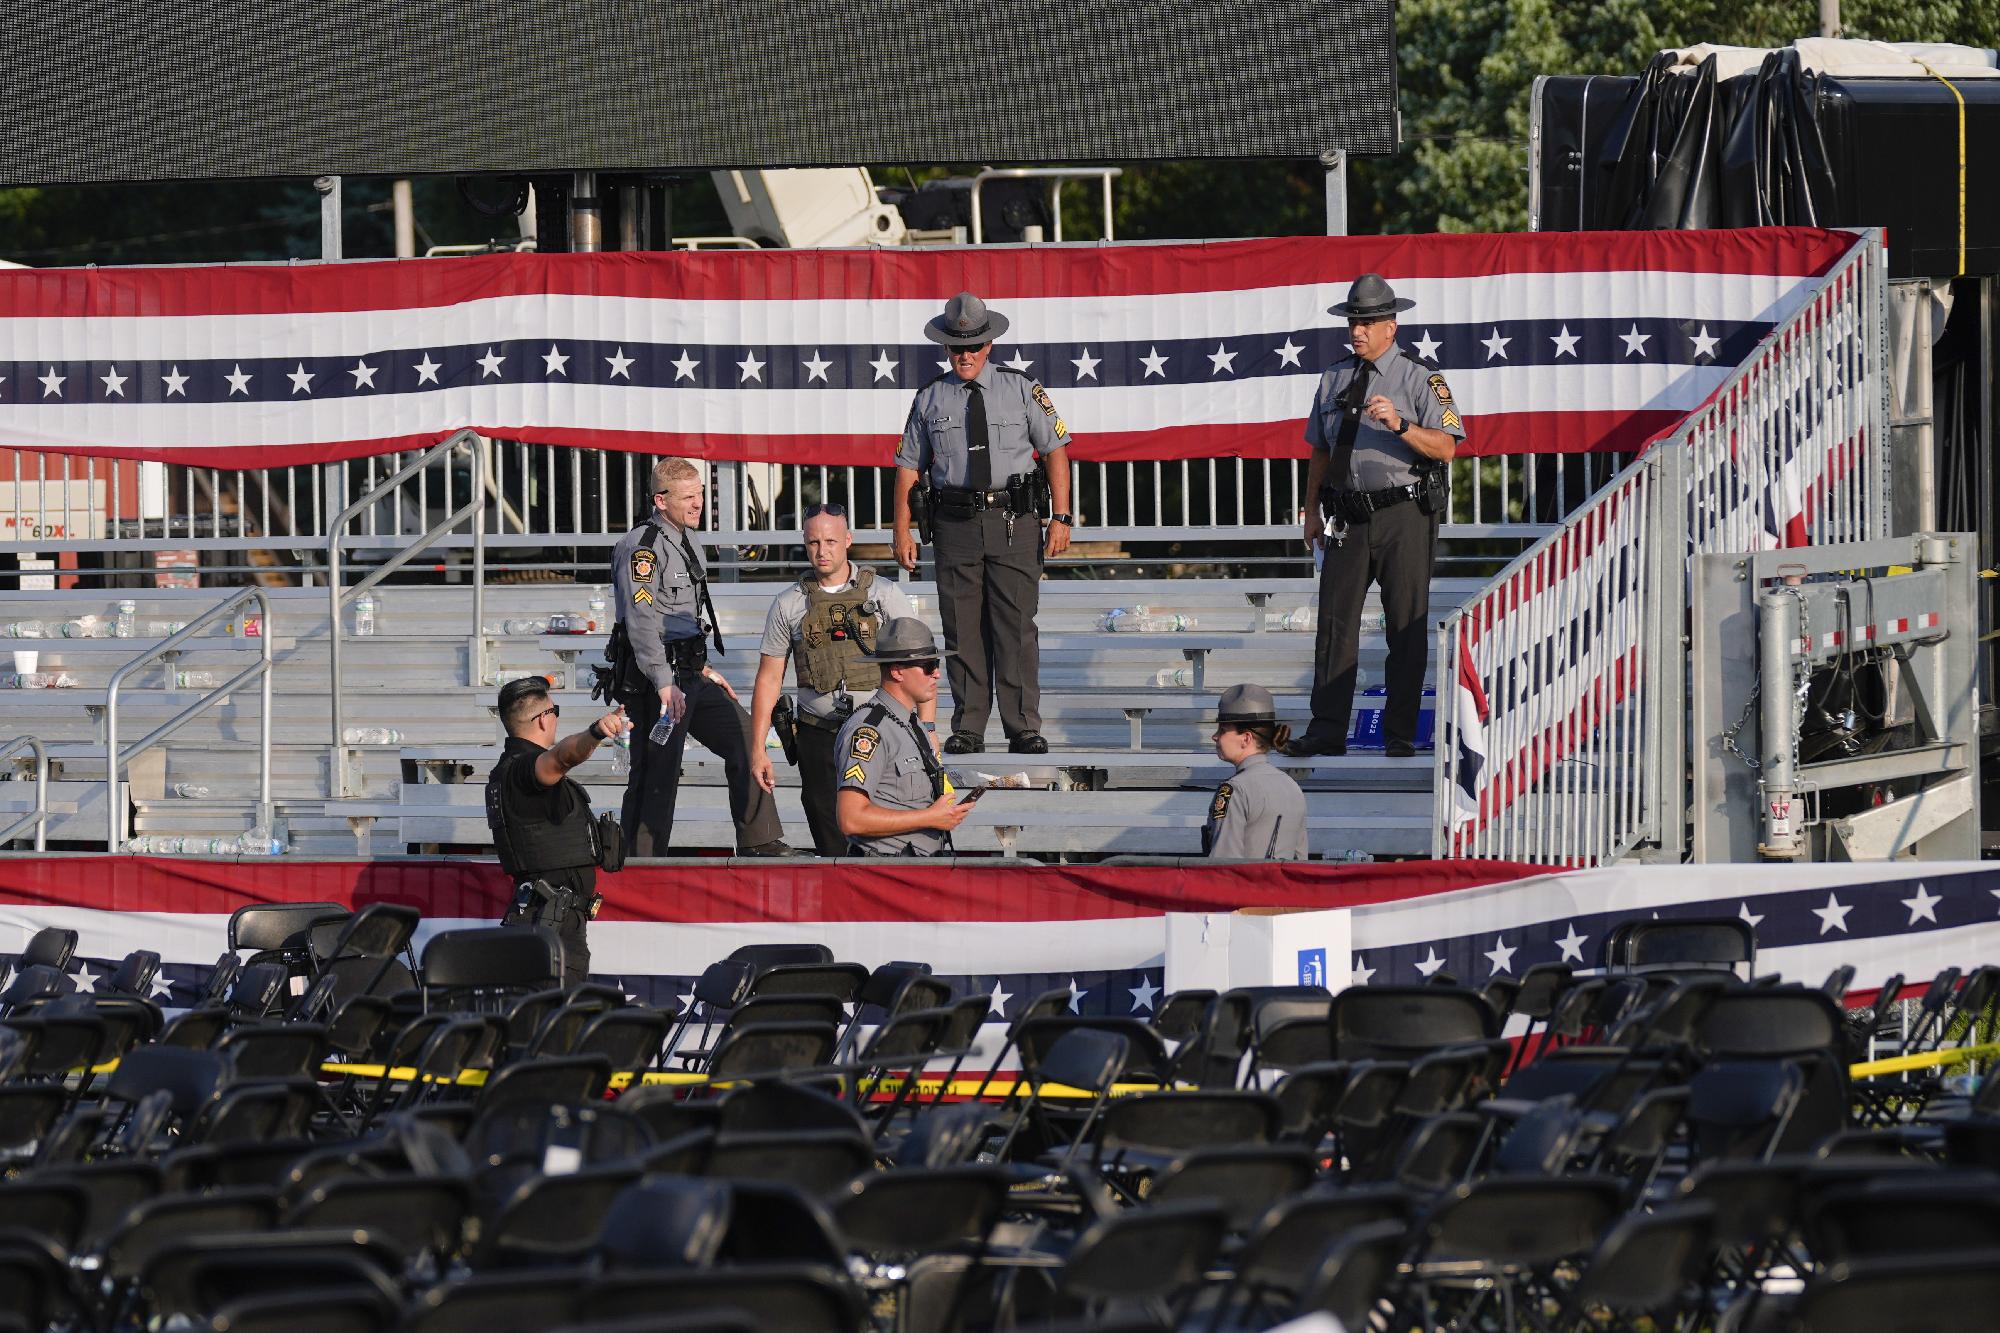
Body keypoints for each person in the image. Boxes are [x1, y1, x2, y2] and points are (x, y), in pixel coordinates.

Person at [1285, 273, 1464, 760]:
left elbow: (1447, 447)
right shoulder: (1334, 377)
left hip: (1403, 513)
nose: (1356, 331)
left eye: (1366, 322)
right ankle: (1326, 730)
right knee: (1334, 626)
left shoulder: (1421, 377)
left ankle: (1400, 731)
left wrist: (1401, 424)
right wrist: (1311, 511)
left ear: (1391, 325)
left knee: (1404, 626)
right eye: (1352, 321)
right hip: (1347, 515)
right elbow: (1320, 450)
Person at [892, 291, 1075, 757]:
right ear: (945, 348)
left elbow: (1055, 450)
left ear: (990, 345)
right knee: (962, 629)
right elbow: (908, 465)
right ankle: (969, 726)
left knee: (1015, 628)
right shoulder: (930, 397)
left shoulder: (1021, 388)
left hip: (1014, 521)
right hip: (954, 525)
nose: (966, 355)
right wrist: (901, 528)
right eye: (957, 347)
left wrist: (1061, 516)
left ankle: (1022, 727)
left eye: (974, 345)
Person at [611, 458, 791, 857]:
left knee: (747, 738)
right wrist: (663, 683)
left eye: (700, 495)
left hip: (689, 673)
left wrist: (702, 668)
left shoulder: (688, 538)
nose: (698, 504)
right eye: (688, 496)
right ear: (661, 500)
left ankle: (760, 841)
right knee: (657, 772)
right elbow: (641, 625)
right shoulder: (642, 548)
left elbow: (682, 620)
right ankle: (640, 863)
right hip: (656, 681)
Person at [747, 502, 931, 855]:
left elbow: (919, 664)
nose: (822, 551)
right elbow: (769, 677)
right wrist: (758, 750)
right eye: (814, 542)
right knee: (829, 837)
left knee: (888, 837)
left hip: (881, 734)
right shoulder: (789, 603)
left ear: (848, 540)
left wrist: (927, 731)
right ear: (804, 542)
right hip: (819, 733)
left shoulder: (884, 594)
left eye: (830, 541)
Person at [485, 676, 630, 986]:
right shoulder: (522, 769)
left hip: (551, 922)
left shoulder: (510, 769)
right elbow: (562, 757)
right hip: (548, 925)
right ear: (542, 720)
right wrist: (595, 732)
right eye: (555, 710)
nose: (557, 719)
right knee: (554, 1025)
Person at [834, 618, 977, 856]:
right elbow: (851, 819)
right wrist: (930, 817)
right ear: (897, 670)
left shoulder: (912, 724)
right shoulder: (869, 731)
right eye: (929, 666)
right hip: (886, 874)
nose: (937, 674)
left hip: (916, 870)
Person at [1204, 683, 1308, 860]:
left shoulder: (1234, 790)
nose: (1215, 736)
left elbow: (1224, 864)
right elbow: (1300, 858)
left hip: (1246, 887)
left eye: (1222, 730)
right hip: (1284, 886)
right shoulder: (1291, 785)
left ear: (1246, 739)